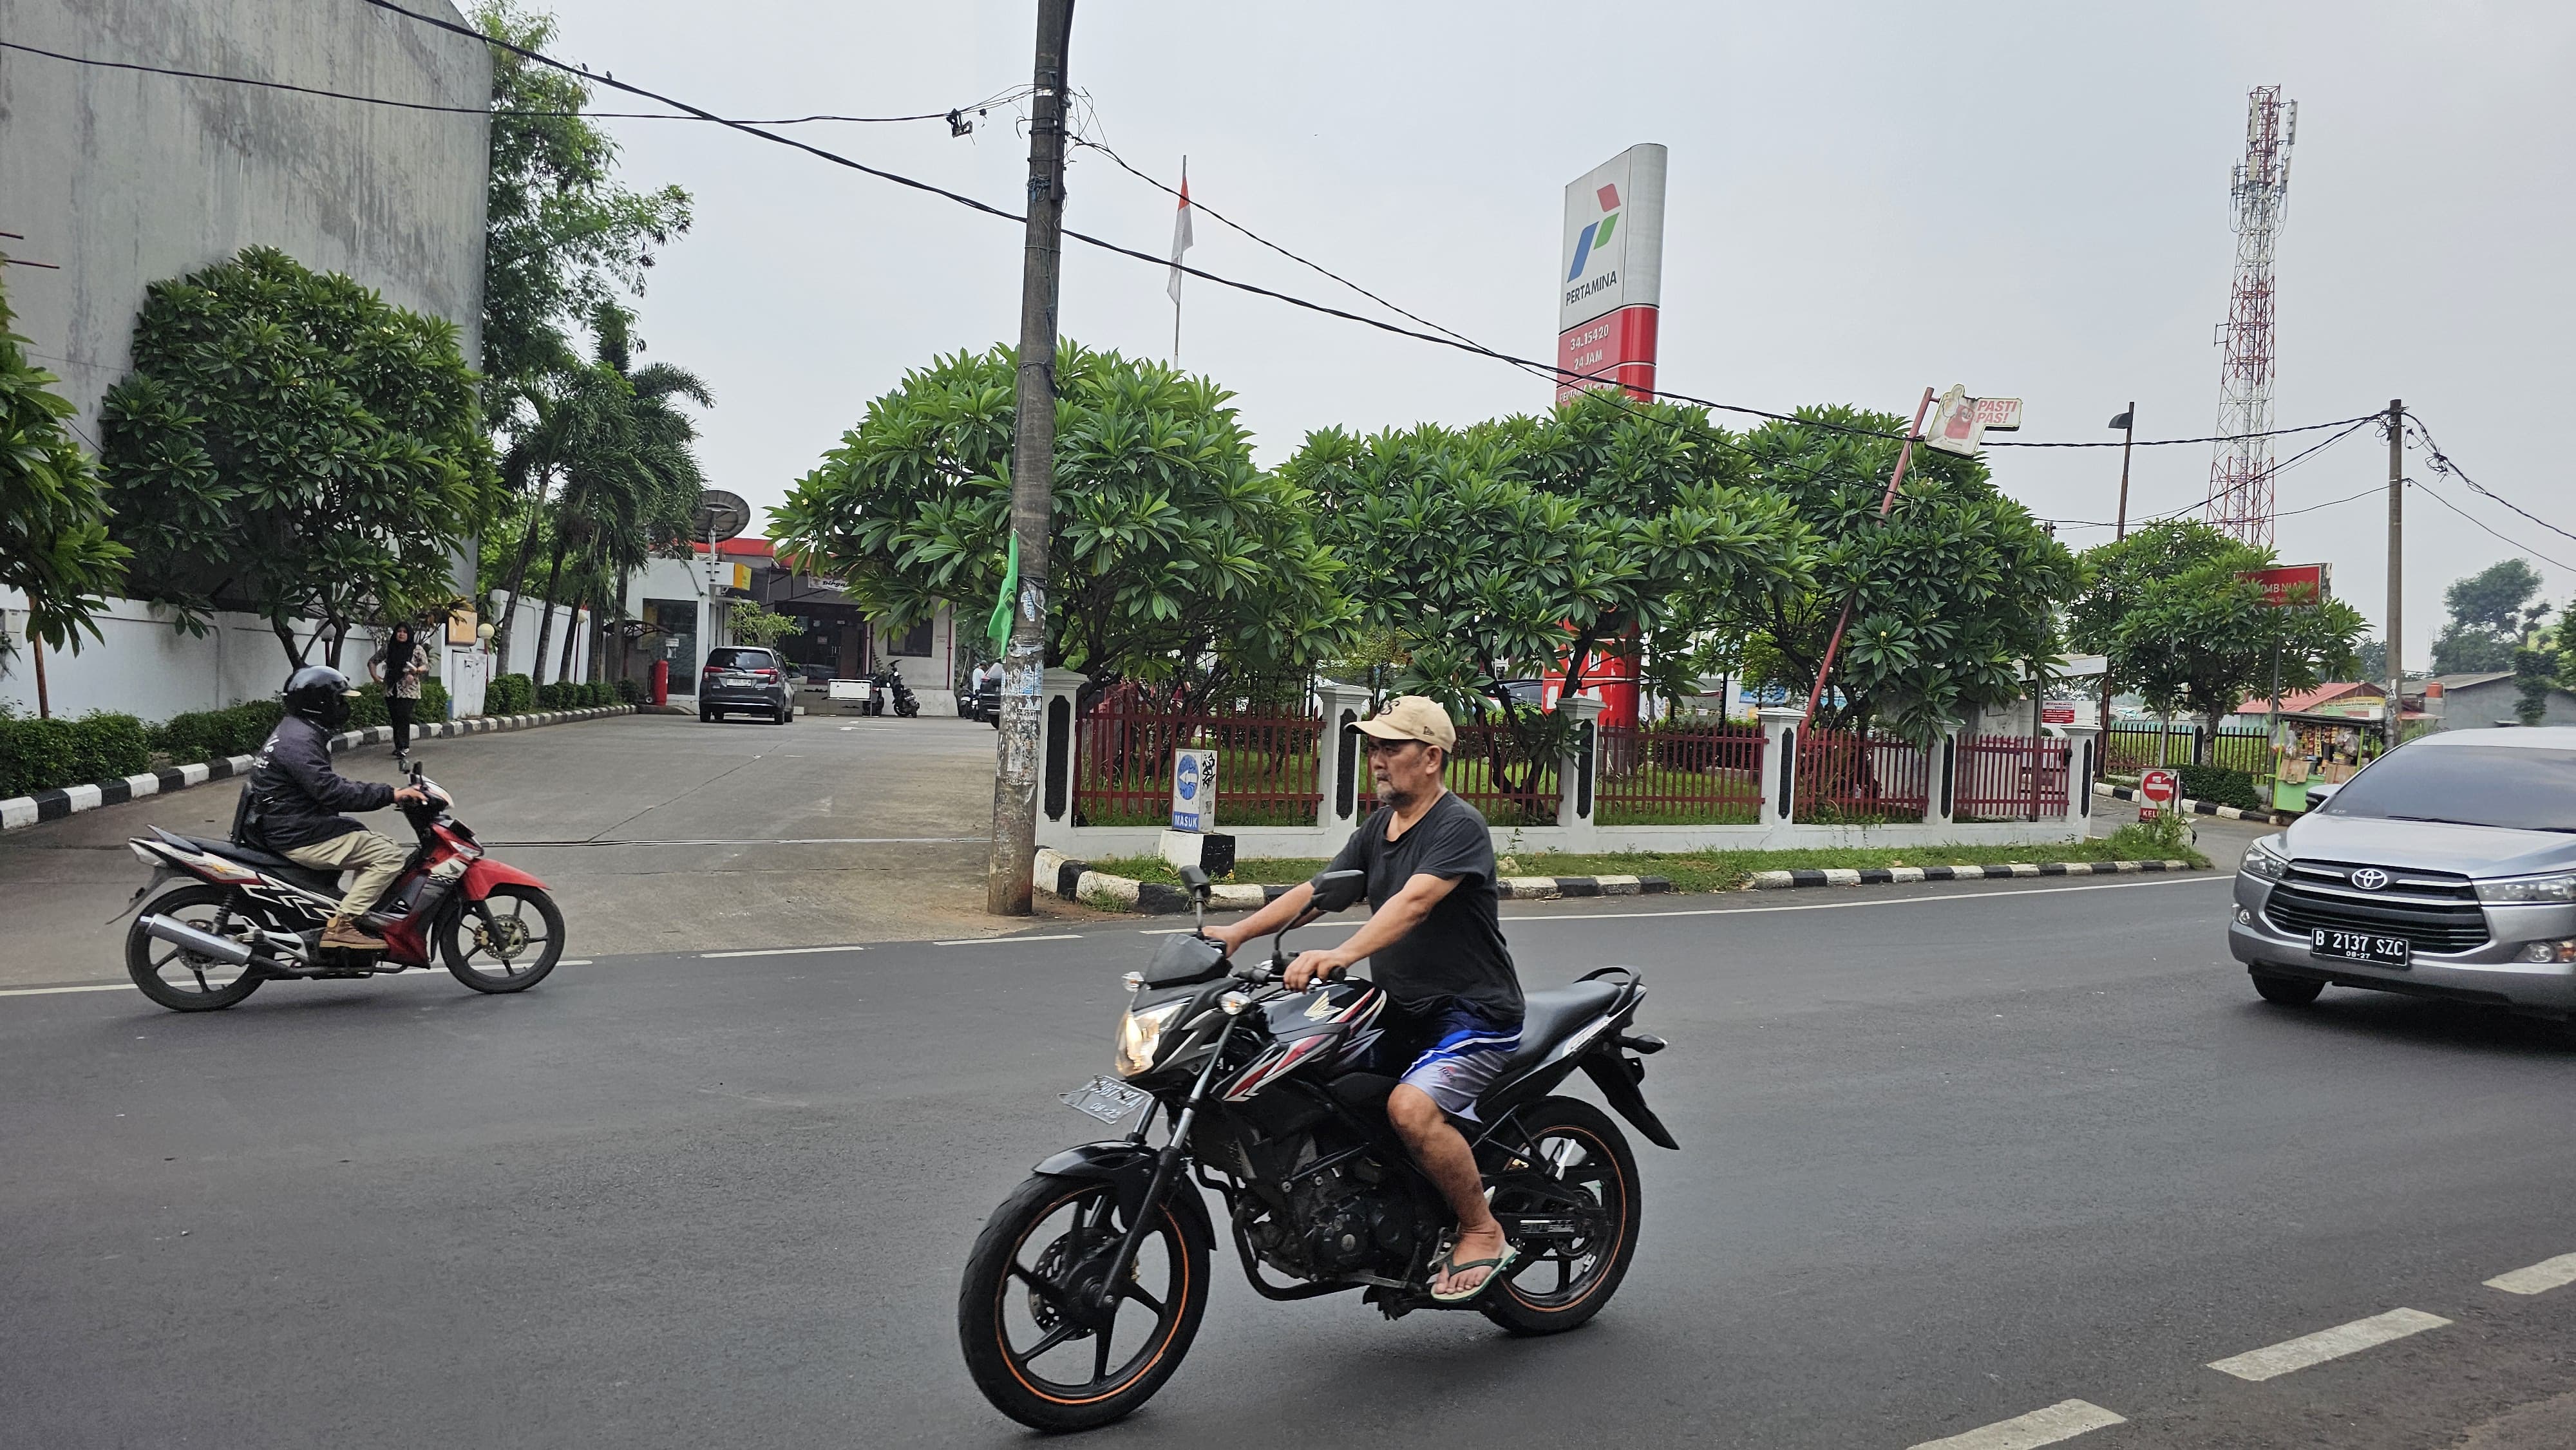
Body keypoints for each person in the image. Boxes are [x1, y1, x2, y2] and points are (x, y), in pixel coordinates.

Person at [1206, 695, 1524, 1303]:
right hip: (1401, 1010)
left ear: (1431, 758)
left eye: (1390, 747)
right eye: (1373, 747)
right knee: (1311, 1081)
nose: (1376, 760)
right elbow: (1316, 892)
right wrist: (1237, 934)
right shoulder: (1377, 830)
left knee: (1410, 1110)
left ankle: (1482, 1229)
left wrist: (1343, 954)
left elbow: (1415, 902)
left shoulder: (1458, 826)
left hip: (1472, 1014)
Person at [236, 665, 428, 952]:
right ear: (321, 704)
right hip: (296, 831)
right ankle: (342, 926)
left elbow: (326, 785)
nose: (345, 707)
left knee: (372, 841)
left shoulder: (295, 731)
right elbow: (332, 791)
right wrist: (391, 794)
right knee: (387, 854)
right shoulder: (299, 742)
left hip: (289, 823)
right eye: (341, 700)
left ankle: (354, 915)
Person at [369, 621, 431, 767]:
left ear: (409, 634)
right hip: (391, 687)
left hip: (409, 689)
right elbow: (372, 662)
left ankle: (403, 746)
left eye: (404, 632)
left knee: (404, 715)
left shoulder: (416, 649)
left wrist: (416, 671)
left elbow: (426, 665)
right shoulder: (389, 648)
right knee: (395, 717)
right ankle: (399, 746)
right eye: (399, 631)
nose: (401, 634)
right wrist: (376, 678)